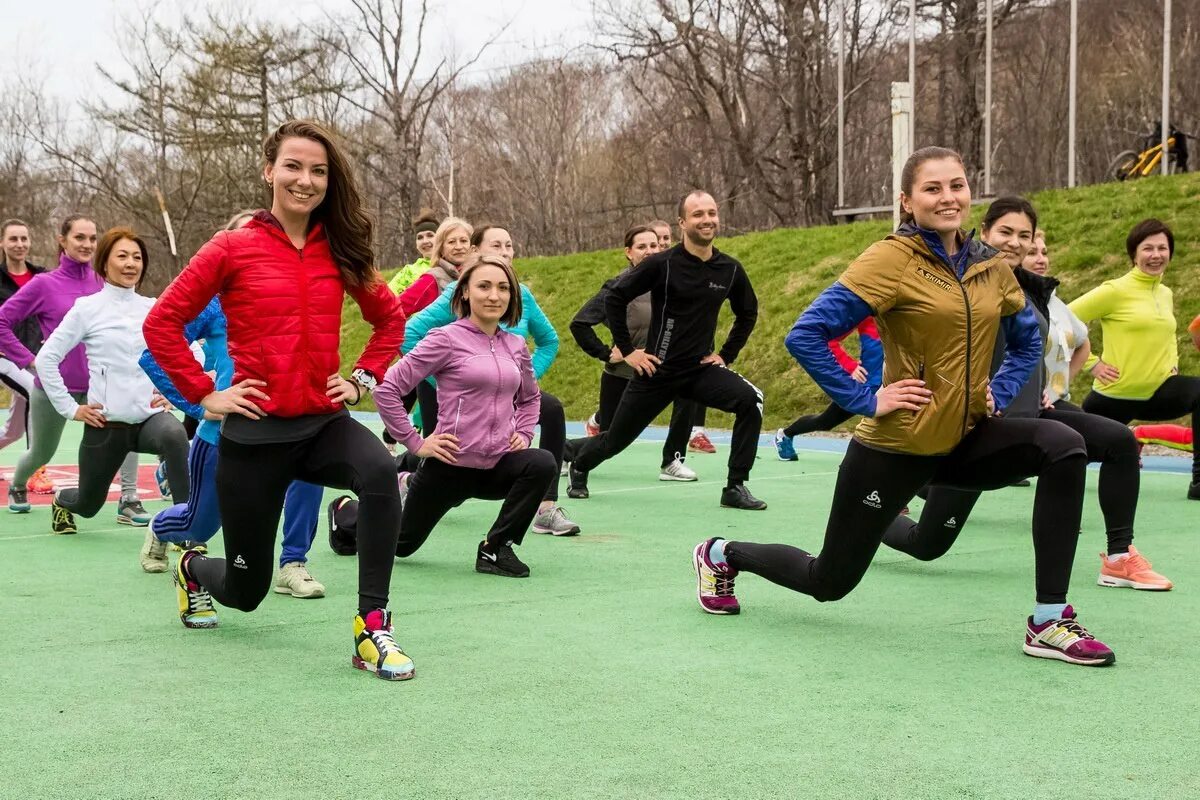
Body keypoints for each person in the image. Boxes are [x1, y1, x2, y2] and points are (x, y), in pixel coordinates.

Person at [692, 147, 1115, 667]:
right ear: (908, 201)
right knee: (829, 581)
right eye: (932, 189)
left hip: (967, 438)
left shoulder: (988, 264)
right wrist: (866, 398)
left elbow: (1029, 340)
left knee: (1064, 446)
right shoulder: (891, 259)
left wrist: (999, 392)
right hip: (897, 446)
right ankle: (721, 554)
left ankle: (1049, 619)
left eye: (956, 185)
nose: (947, 197)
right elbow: (807, 335)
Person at [143, 119, 413, 681]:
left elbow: (391, 317)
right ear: (269, 170)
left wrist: (363, 377)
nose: (306, 180)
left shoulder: (338, 249)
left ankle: (372, 627)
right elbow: (162, 322)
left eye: (318, 171)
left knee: (380, 473)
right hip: (256, 434)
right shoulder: (231, 247)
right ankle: (194, 569)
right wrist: (204, 396)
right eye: (293, 166)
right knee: (247, 591)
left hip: (320, 423)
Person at [889, 198, 1170, 591]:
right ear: (984, 232)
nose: (1016, 243)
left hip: (1031, 416)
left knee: (1120, 441)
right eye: (1006, 232)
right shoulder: (960, 278)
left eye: (1025, 235)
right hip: (971, 424)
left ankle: (1119, 557)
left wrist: (1046, 389)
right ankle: (882, 512)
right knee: (927, 544)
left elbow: (1036, 349)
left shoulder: (1029, 288)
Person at [139, 210, 326, 593]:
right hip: (224, 434)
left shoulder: (295, 297)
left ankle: (293, 564)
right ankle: (161, 527)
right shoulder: (212, 304)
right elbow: (154, 353)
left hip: (293, 423)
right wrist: (200, 403)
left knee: (308, 480)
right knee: (201, 524)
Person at [568, 191, 766, 510]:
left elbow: (748, 312)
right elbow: (616, 298)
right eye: (698, 214)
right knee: (615, 440)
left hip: (699, 371)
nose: (707, 219)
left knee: (751, 400)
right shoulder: (663, 264)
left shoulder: (729, 269)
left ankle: (735, 486)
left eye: (711, 213)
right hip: (656, 372)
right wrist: (630, 351)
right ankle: (579, 465)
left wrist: (727, 354)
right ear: (682, 222)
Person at [376, 253, 556, 576]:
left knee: (542, 462)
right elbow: (388, 388)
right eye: (484, 286)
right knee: (398, 544)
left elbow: (530, 398)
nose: (494, 295)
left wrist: (525, 432)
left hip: (497, 463)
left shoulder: (515, 346)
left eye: (503, 288)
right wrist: (416, 444)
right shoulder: (445, 339)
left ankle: (495, 548)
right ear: (465, 293)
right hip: (449, 466)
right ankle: (347, 515)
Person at [401, 224, 580, 536]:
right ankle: (400, 479)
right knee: (442, 466)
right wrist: (446, 381)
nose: (506, 252)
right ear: (476, 253)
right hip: (457, 396)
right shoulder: (459, 294)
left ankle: (545, 508)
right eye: (496, 246)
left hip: (502, 395)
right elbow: (409, 333)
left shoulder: (520, 295)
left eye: (509, 245)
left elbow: (549, 342)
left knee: (550, 411)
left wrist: (519, 381)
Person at [34, 227, 191, 538]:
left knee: (175, 435)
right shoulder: (87, 309)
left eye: (137, 257)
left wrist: (176, 395)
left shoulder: (153, 307)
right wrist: (71, 409)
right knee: (89, 504)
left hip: (149, 419)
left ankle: (185, 527)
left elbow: (190, 352)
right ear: (105, 263)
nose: (131, 263)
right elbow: (46, 358)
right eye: (122, 256)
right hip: (106, 424)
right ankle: (63, 501)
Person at [0, 215, 145, 522]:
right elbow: (2, 322)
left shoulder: (106, 281)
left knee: (127, 428)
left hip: (102, 388)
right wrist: (29, 361)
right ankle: (17, 483)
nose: (88, 245)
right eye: (80, 238)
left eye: (93, 238)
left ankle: (129, 500)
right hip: (56, 388)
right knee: (42, 452)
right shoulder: (44, 284)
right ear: (62, 241)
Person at [1069, 219, 1200, 500]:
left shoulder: (1165, 293)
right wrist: (1092, 363)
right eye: (1148, 248)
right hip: (1114, 397)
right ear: (1134, 254)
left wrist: (1172, 363)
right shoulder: (1114, 290)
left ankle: (1199, 481)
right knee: (1071, 454)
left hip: (1158, 392)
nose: (1156, 255)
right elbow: (1063, 319)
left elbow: (1167, 334)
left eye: (1162, 248)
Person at [567, 224, 696, 482]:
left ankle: (673, 460)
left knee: (689, 396)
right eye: (642, 247)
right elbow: (579, 324)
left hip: (669, 369)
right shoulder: (618, 286)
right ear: (629, 252)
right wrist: (607, 353)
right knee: (612, 439)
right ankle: (562, 450)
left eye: (654, 245)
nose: (650, 251)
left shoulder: (673, 282)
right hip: (625, 374)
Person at [773, 319, 882, 461]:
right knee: (826, 422)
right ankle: (785, 435)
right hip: (865, 388)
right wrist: (850, 366)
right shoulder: (867, 316)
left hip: (893, 385)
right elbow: (828, 341)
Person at [0, 219, 46, 460]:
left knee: (13, 432)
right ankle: (36, 468)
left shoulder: (41, 277)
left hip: (33, 359)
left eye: (23, 239)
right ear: (2, 243)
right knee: (34, 391)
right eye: (13, 239)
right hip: (4, 358)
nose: (19, 244)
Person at [387, 209, 439, 295]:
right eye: (420, 237)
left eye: (430, 235)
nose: (425, 241)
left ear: (440, 239)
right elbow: (388, 297)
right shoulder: (408, 271)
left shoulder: (450, 267)